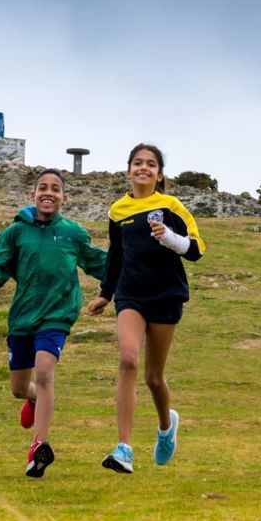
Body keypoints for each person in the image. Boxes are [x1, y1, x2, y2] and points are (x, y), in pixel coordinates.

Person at [0, 168, 107, 478]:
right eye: (43, 187)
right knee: (20, 388)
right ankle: (31, 399)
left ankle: (38, 446)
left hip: (57, 315)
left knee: (44, 372)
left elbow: (100, 263)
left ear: (63, 198)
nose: (49, 192)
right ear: (33, 195)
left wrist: (127, 278)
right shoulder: (16, 233)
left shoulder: (74, 233)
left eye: (55, 189)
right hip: (23, 316)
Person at [87, 143, 205, 474]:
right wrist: (106, 294)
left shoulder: (171, 206)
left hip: (166, 296)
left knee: (154, 378)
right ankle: (124, 448)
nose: (143, 168)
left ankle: (166, 428)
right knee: (127, 359)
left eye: (150, 164)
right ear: (128, 170)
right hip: (130, 295)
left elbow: (195, 250)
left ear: (159, 173)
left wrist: (169, 237)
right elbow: (115, 256)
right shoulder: (117, 211)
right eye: (137, 163)